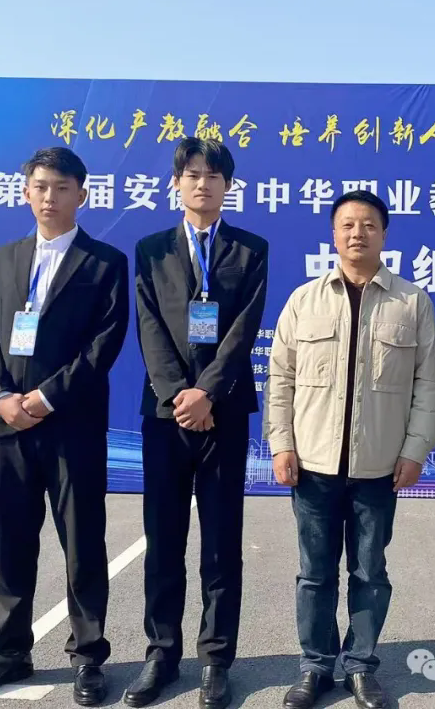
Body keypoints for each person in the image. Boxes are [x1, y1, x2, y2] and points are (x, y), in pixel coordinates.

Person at [0, 147, 129, 706]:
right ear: (25, 192)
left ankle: (88, 656)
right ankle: (8, 652)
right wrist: (2, 399)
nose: (49, 197)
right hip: (8, 428)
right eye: (40, 186)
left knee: (82, 543)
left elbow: (103, 344)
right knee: (12, 541)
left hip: (71, 426)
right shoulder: (2, 259)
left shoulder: (104, 262)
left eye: (61, 187)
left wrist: (46, 397)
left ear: (82, 194)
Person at [264, 190, 435, 709]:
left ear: (384, 234)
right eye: (347, 224)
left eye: (368, 224)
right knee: (314, 574)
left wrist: (415, 451)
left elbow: (428, 385)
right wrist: (281, 445)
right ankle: (316, 666)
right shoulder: (305, 300)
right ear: (333, 234)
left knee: (369, 573)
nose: (357, 233)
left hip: (378, 467)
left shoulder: (411, 302)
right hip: (313, 466)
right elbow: (281, 379)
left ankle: (361, 665)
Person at [126, 137, 268, 709]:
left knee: (221, 542)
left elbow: (243, 330)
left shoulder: (250, 249)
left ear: (227, 185)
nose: (202, 183)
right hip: (165, 416)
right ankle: (161, 654)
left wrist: (207, 392)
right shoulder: (151, 249)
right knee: (163, 540)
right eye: (192, 173)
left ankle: (215, 659)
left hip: (224, 412)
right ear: (176, 183)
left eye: (213, 175)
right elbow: (148, 326)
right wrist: (178, 395)